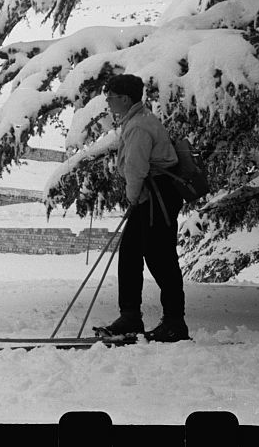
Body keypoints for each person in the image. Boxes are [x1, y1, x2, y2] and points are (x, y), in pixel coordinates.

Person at [99, 73, 190, 343]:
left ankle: (175, 322)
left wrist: (133, 196)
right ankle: (130, 317)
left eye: (111, 97)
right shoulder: (136, 120)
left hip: (156, 195)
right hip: (151, 194)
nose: (108, 101)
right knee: (129, 253)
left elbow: (135, 168)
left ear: (125, 99)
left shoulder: (139, 125)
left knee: (160, 257)